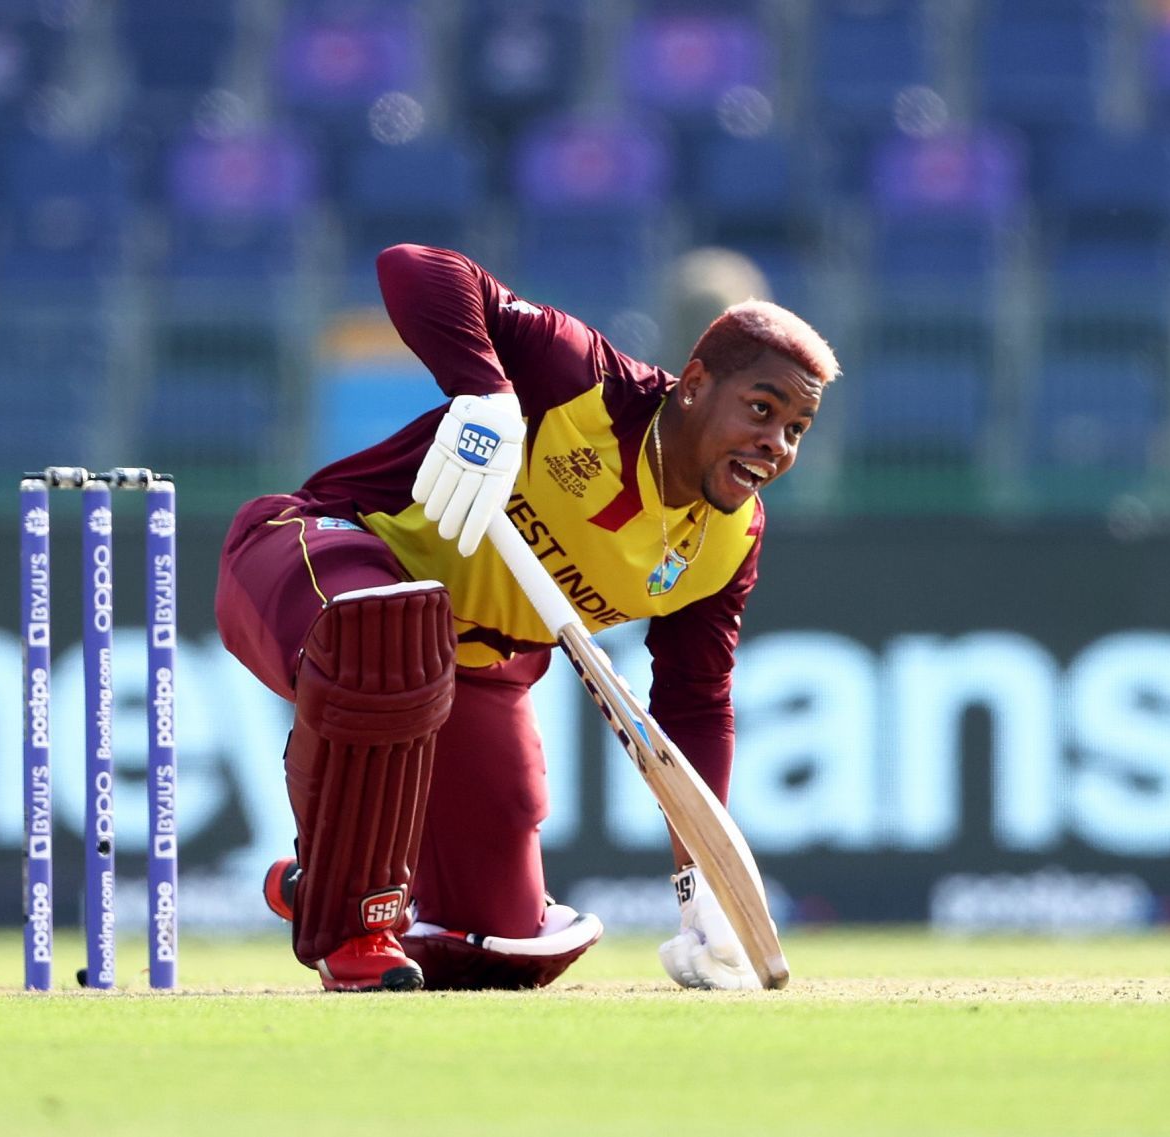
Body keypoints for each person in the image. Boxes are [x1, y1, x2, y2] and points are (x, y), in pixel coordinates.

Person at [214, 244, 839, 991]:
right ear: (696, 385)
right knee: (385, 634)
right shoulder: (585, 386)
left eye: (796, 429)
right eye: (762, 410)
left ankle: (327, 879)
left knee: (506, 948)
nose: (776, 444)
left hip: (473, 664)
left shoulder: (730, 543)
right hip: (314, 552)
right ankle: (350, 920)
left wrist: (700, 881)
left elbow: (694, 704)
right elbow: (412, 266)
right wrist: (484, 394)